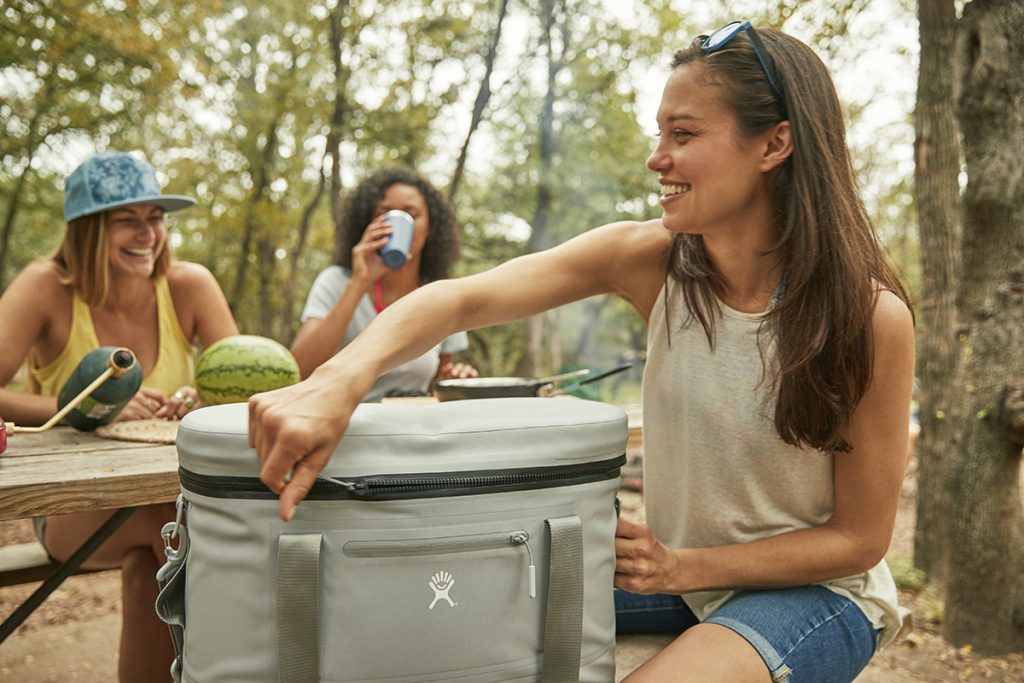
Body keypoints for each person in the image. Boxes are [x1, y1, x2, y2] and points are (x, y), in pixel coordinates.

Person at [248, 21, 914, 683]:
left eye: (682, 134)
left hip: (817, 594)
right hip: (679, 577)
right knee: (446, 607)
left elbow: (858, 540)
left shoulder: (869, 317)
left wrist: (684, 566)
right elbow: (459, 300)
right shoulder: (652, 259)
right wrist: (335, 380)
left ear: (775, 143)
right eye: (660, 134)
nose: (657, 157)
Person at [0, 152, 238, 682]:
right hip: (69, 507)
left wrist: (196, 400)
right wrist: (87, 406)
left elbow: (238, 392)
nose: (147, 234)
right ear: (87, 230)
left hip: (170, 502)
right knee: (177, 528)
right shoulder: (45, 287)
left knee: (150, 569)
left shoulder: (190, 285)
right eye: (126, 220)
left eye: (154, 218)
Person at [290, 166, 476, 400]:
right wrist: (359, 282)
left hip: (411, 427)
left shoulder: (442, 294)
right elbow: (300, 370)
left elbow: (436, 389)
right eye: (385, 213)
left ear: (430, 228)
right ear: (368, 223)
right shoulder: (336, 282)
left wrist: (457, 380)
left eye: (412, 214)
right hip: (345, 426)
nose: (397, 225)